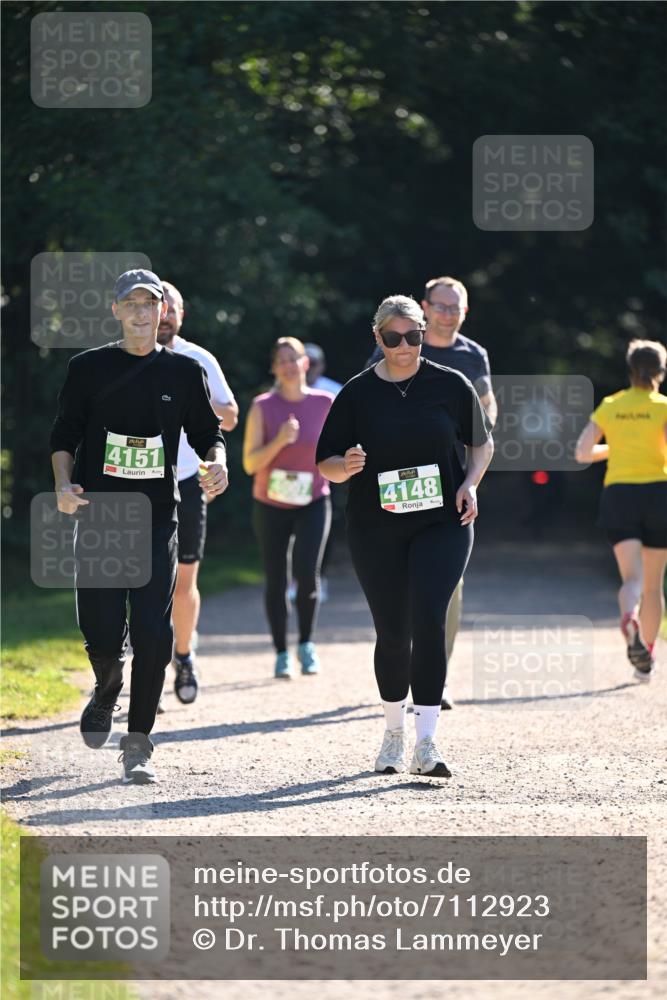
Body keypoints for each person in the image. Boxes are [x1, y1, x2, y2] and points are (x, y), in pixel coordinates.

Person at [50, 268, 227, 784]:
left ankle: (139, 742)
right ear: (116, 311)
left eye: (151, 303)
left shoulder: (183, 372)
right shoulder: (88, 369)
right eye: (131, 302)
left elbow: (206, 433)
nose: (143, 312)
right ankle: (107, 686)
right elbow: (65, 432)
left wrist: (217, 461)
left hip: (157, 517)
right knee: (101, 629)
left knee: (153, 630)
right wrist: (63, 483)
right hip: (100, 516)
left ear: (163, 312)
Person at [317, 295, 493, 777]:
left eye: (413, 336)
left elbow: (482, 443)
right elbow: (325, 463)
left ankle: (427, 742)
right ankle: (393, 733)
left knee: (429, 619)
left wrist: (469, 484)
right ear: (378, 338)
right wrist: (345, 466)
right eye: (393, 338)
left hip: (443, 521)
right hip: (376, 526)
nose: (404, 346)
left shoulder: (450, 383)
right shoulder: (357, 393)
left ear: (423, 333)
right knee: (394, 632)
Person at [368, 276, 496, 708]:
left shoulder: (472, 355)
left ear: (466, 311)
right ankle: (397, 661)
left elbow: (486, 407)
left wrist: (474, 446)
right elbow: (370, 393)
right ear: (425, 309)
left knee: (446, 583)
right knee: (398, 579)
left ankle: (433, 675)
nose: (447, 314)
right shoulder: (398, 340)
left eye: (454, 308)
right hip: (397, 480)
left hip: (449, 475)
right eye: (440, 307)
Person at [156, 281, 238, 707]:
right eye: (158, 306)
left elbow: (231, 415)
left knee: (185, 577)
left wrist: (196, 398)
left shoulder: (199, 359)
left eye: (172, 308)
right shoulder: (120, 357)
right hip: (134, 482)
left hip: (187, 480)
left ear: (181, 316)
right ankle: (142, 664)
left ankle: (183, 656)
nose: (165, 314)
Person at [575, 339, 667, 679]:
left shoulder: (611, 405)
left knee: (632, 579)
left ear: (629, 370)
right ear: (660, 371)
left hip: (619, 496)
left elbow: (583, 453)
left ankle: (629, 615)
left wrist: (617, 447)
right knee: (654, 585)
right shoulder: (663, 406)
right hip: (659, 494)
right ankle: (647, 658)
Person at [243, 337, 333, 678]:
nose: (287, 365)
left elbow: (337, 450)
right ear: (274, 367)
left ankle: (307, 645)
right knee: (276, 577)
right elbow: (250, 464)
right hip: (271, 502)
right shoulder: (263, 406)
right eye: (280, 359)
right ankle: (281, 652)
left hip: (313, 500)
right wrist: (280, 440)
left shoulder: (325, 403)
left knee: (308, 573)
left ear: (305, 363)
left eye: (293, 358)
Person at [303, 343, 343, 602]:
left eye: (313, 363)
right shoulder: (284, 389)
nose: (309, 368)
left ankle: (319, 575)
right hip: (294, 469)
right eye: (305, 362)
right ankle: (296, 578)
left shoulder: (335, 391)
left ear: (322, 365)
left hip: (328, 468)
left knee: (323, 525)